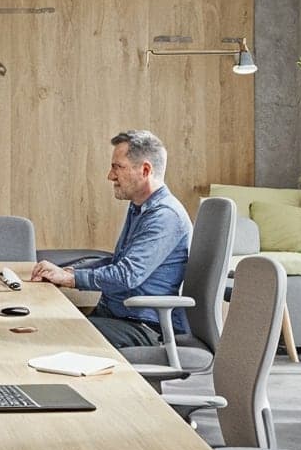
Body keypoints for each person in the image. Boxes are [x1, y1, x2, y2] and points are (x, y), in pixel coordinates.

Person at [29, 129, 192, 350]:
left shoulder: (165, 216)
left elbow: (127, 275)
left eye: (118, 167)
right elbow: (118, 262)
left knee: (46, 337)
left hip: (144, 326)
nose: (110, 176)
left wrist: (70, 279)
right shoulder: (140, 209)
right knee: (34, 324)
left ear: (145, 170)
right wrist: (65, 272)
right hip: (117, 316)